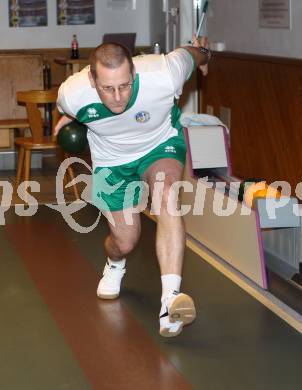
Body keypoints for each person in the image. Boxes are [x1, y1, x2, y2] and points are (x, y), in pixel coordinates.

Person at [55, 35, 211, 337]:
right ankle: (114, 265)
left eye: (125, 85)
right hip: (111, 160)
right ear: (91, 80)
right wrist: (70, 114)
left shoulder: (164, 73)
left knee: (167, 196)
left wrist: (205, 54)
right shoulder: (72, 94)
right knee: (125, 241)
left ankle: (170, 304)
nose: (117, 97)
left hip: (160, 145)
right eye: (107, 88)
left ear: (134, 74)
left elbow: (194, 53)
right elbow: (73, 106)